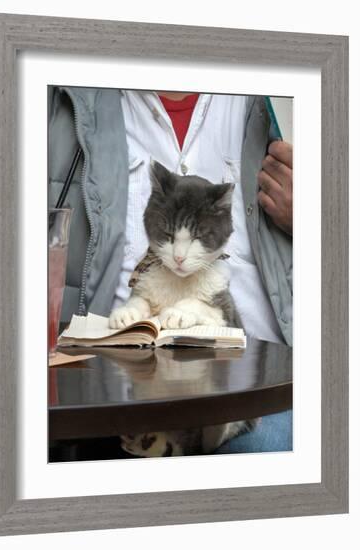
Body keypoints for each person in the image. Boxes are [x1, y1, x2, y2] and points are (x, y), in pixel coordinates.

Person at [48, 86, 293, 454]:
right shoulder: (64, 95)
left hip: (261, 394)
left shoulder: (279, 95)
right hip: (110, 397)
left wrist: (328, 213)